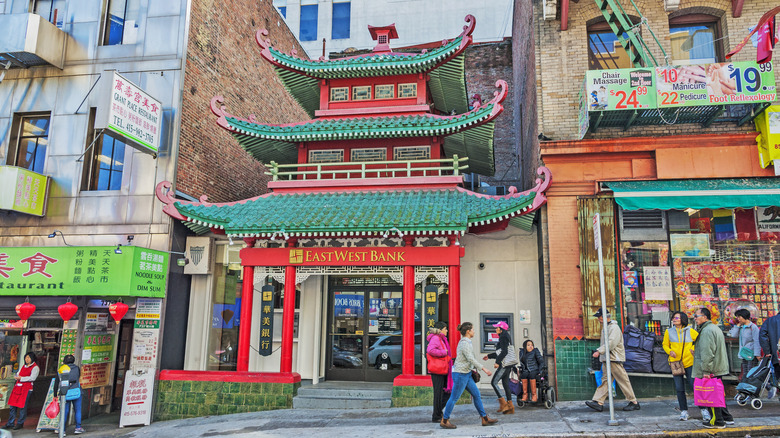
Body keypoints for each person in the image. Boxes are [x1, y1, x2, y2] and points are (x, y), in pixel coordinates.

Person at [440, 322, 498, 429]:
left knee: (476, 395)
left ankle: (484, 418)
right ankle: (444, 420)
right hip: (460, 374)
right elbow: (470, 358)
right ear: (468, 331)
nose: (474, 331)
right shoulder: (464, 343)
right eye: (473, 329)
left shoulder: (467, 342)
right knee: (453, 398)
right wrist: (484, 368)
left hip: (466, 374)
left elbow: (470, 359)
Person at [585, 309, 640, 412]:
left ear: (606, 316)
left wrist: (599, 351)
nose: (598, 319)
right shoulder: (607, 327)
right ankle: (598, 402)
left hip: (614, 358)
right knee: (605, 381)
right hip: (608, 358)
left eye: (600, 316)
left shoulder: (614, 328)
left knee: (623, 381)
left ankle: (633, 402)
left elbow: (611, 343)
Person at [692, 308, 733, 429]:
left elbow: (708, 353)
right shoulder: (714, 328)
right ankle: (727, 417)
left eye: (696, 316)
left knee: (711, 395)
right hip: (717, 367)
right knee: (718, 394)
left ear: (705, 317)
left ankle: (717, 421)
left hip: (711, 369)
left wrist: (706, 371)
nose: (695, 318)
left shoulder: (707, 331)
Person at [662, 311, 698, 421]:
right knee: (679, 388)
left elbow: (698, 342)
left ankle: (704, 408)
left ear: (683, 319)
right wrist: (670, 351)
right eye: (673, 318)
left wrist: (693, 349)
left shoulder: (691, 331)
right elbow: (665, 344)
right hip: (675, 363)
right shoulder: (669, 332)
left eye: (677, 318)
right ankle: (683, 411)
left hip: (689, 362)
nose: (674, 319)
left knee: (694, 386)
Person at [482, 321, 516, 414]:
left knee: (494, 382)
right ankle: (510, 406)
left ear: (502, 329)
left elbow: (504, 352)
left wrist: (497, 362)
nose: (496, 329)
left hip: (504, 364)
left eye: (497, 328)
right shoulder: (505, 337)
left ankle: (504, 404)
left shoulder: (503, 337)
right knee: (505, 384)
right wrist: (489, 356)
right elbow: (500, 352)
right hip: (508, 364)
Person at [3, 352, 39, 430]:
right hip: (18, 388)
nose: (27, 359)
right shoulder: (23, 366)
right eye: (26, 357)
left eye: (28, 358)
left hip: (26, 389)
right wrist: (16, 376)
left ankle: (20, 423)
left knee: (22, 406)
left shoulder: (35, 367)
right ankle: (10, 422)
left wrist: (21, 378)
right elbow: (17, 374)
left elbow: (32, 378)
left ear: (32, 358)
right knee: (12, 405)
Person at [426, 321, 451, 423]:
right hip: (437, 370)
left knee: (444, 392)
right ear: (440, 330)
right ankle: (436, 415)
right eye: (445, 329)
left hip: (442, 369)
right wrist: (443, 353)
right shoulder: (436, 338)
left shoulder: (441, 338)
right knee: (438, 393)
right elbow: (430, 350)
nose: (447, 331)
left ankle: (438, 412)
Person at [54, 355, 84, 435]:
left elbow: (56, 383)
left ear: (64, 361)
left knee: (64, 411)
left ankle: (63, 430)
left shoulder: (61, 369)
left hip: (65, 392)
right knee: (77, 410)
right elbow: (78, 377)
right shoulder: (77, 368)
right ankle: (78, 428)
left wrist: (55, 395)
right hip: (76, 391)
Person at [728, 308, 762, 379]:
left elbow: (757, 341)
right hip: (744, 353)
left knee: (751, 372)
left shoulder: (753, 327)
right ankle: (746, 387)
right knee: (745, 372)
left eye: (739, 317)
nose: (738, 319)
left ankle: (751, 387)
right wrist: (737, 326)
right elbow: (733, 335)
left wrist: (757, 354)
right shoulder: (741, 327)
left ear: (744, 316)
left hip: (751, 354)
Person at [759, 311, 780, 399]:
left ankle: (776, 385)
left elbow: (763, 335)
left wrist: (767, 351)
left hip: (777, 355)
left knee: (778, 374)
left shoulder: (770, 321)